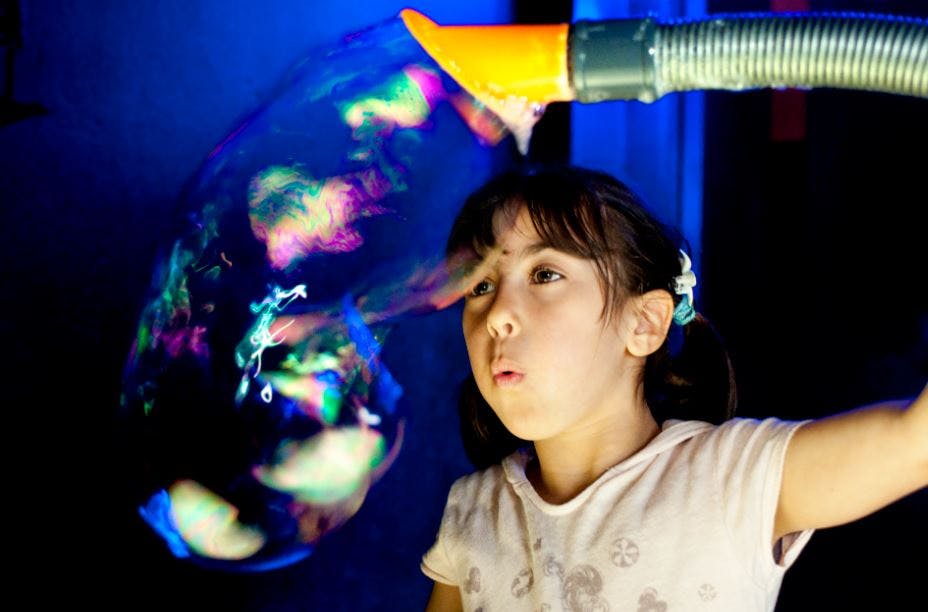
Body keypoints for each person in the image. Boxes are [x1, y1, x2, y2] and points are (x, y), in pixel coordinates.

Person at [420, 165, 927, 611]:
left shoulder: (732, 478)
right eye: (480, 286)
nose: (498, 316)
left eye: (545, 273)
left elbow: (915, 442)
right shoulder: (473, 512)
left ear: (645, 323)